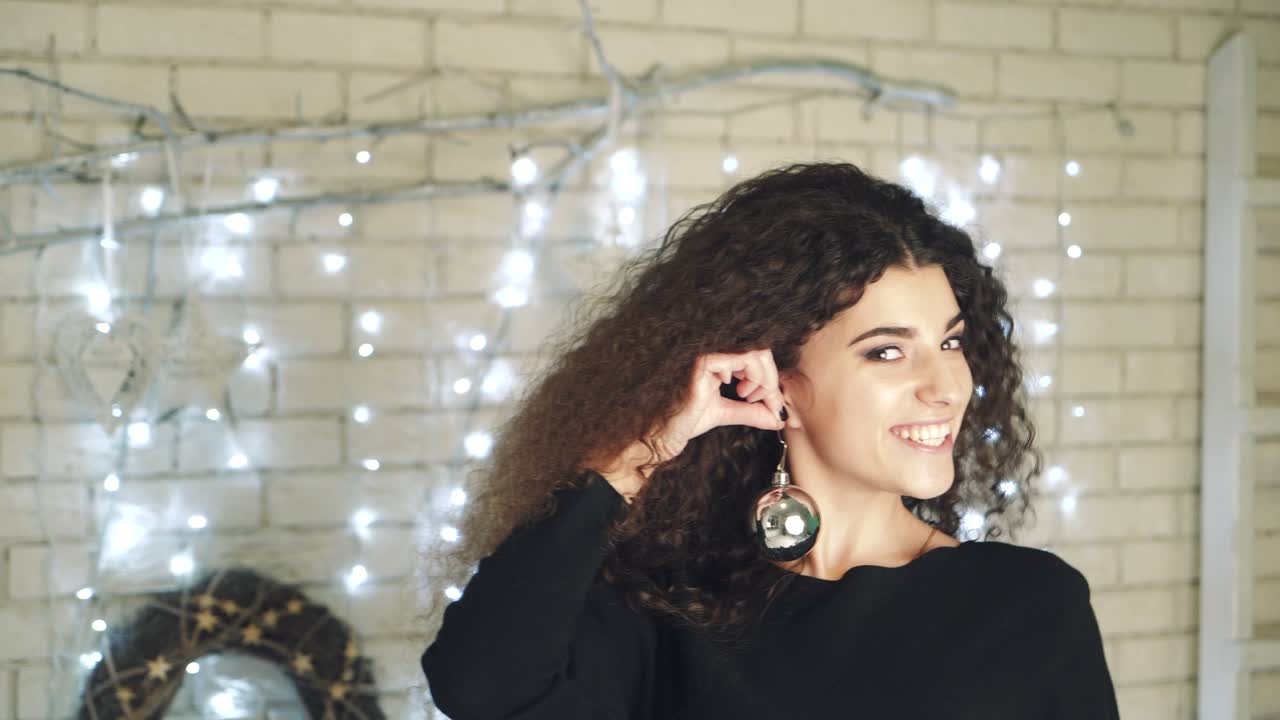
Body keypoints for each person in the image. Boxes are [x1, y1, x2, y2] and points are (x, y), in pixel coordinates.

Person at [418, 161, 1120, 718]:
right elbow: (482, 686)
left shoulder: (1028, 605)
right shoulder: (667, 601)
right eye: (886, 351)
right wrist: (640, 450)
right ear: (774, 377)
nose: (945, 386)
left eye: (951, 341)